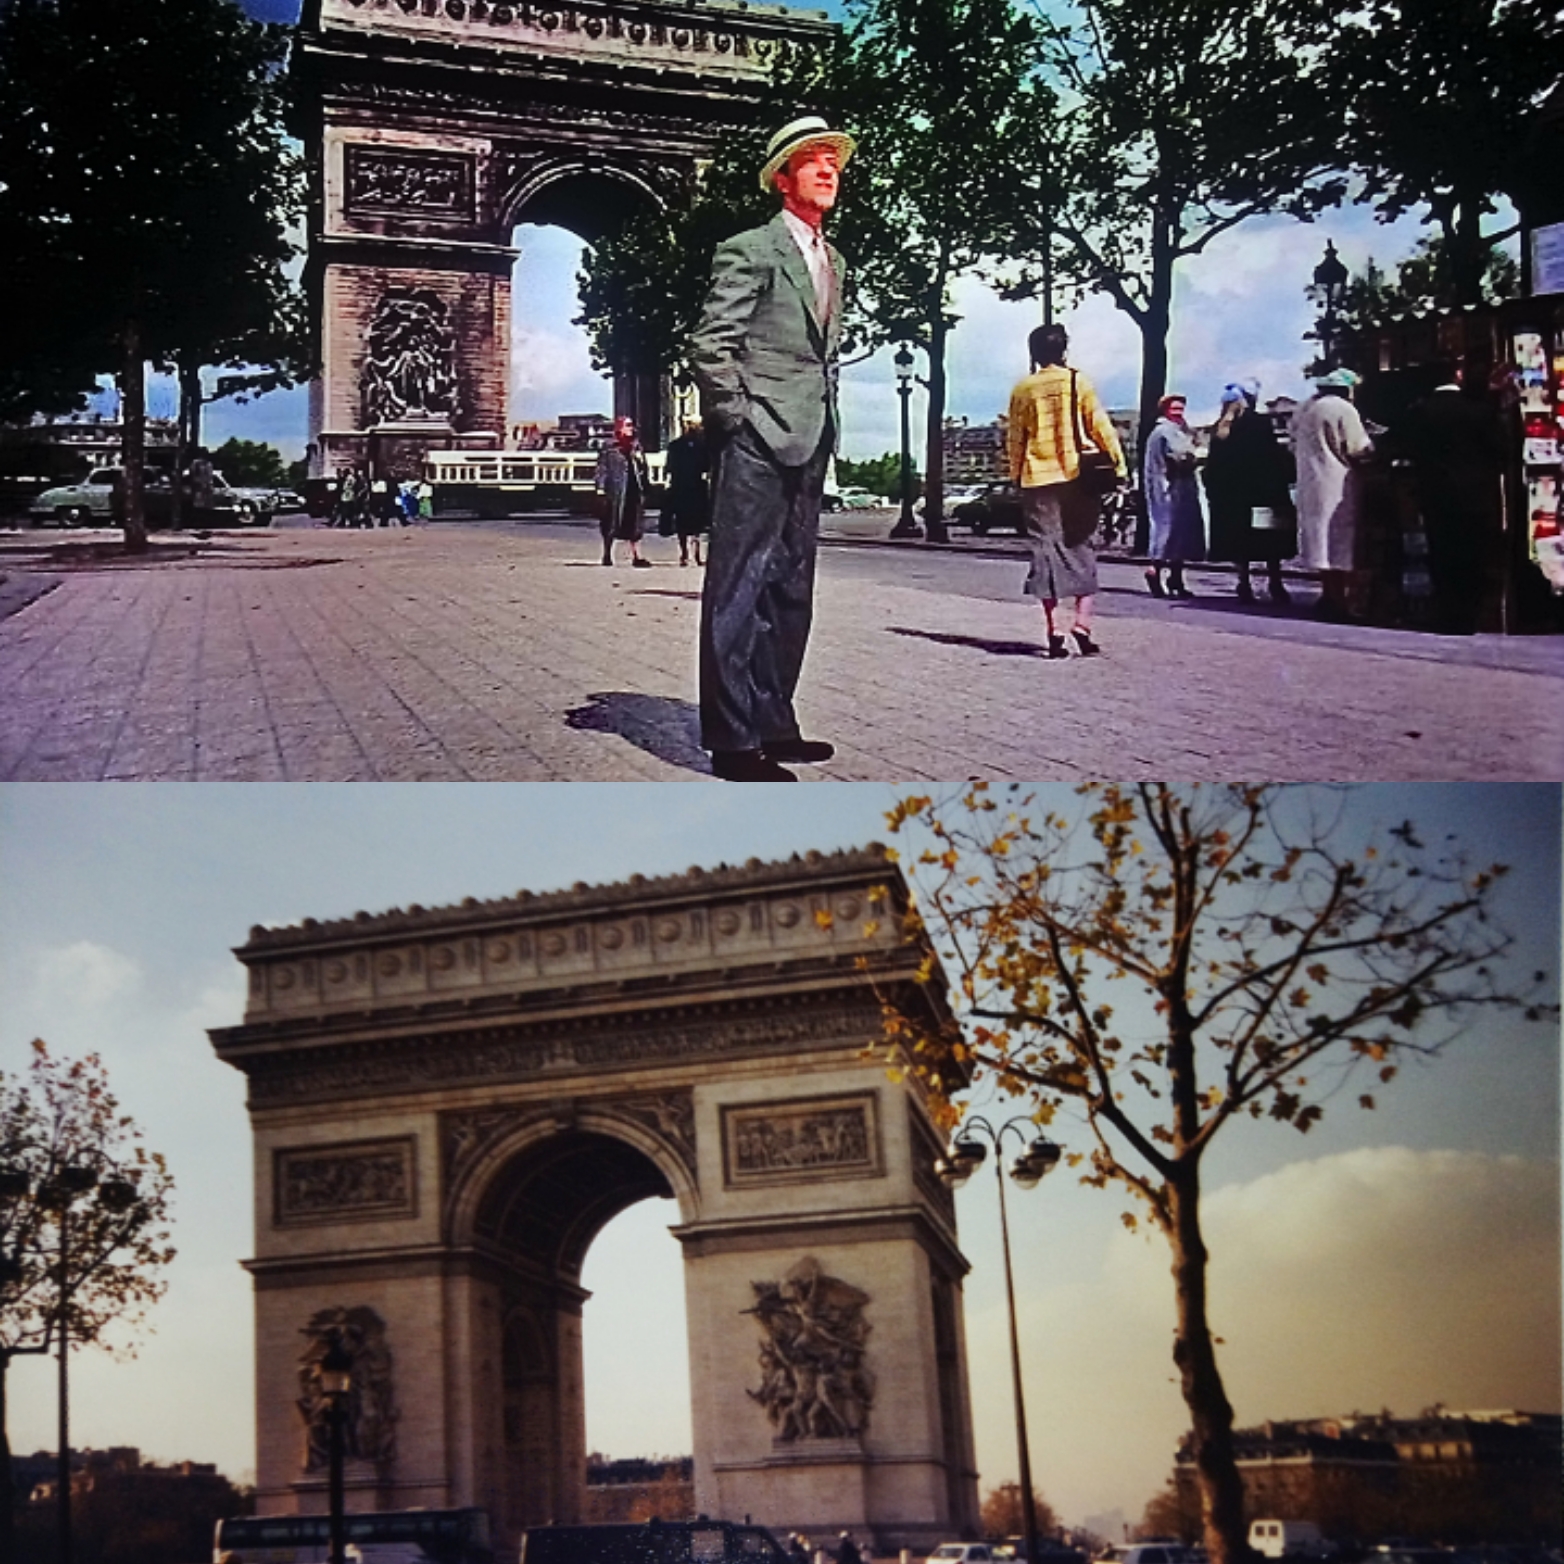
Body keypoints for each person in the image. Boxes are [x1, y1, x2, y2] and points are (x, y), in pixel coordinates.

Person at [690, 115, 852, 782]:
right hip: (759, 438)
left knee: (791, 590)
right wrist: (737, 420)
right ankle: (733, 742)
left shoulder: (834, 259)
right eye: (811, 161)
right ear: (782, 179)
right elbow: (711, 343)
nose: (826, 170)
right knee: (739, 588)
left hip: (812, 437)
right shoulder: (749, 249)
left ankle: (774, 722)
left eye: (832, 162)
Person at [1005, 321, 1126, 657]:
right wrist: (1118, 467)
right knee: (1082, 548)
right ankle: (1082, 623)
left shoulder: (1023, 390)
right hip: (1077, 477)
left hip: (1038, 478)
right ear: (1064, 349)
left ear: (1034, 352)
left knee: (1046, 552)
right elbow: (1101, 428)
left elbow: (1015, 440)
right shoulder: (1078, 382)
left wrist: (1016, 475)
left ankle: (1054, 627)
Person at [1402, 359, 1500, 634]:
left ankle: (1447, 614)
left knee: (1442, 552)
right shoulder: (1479, 411)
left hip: (1436, 493)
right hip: (1475, 493)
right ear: (1457, 376)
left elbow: (1407, 449)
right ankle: (1470, 615)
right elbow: (1499, 450)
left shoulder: (1420, 411)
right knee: (1472, 553)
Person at [1202, 381, 1297, 604]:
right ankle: (1275, 582)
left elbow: (1213, 466)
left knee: (1240, 540)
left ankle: (1243, 582)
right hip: (1262, 490)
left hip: (1233, 496)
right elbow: (1272, 455)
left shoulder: (1220, 428)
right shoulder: (1259, 423)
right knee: (1270, 540)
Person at [1294, 366, 1374, 621]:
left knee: (1321, 541)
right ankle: (1343, 600)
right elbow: (1358, 447)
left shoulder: (1306, 409)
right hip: (1338, 481)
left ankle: (1328, 594)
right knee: (1341, 542)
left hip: (1310, 482)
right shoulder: (1344, 409)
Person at [1142, 394, 1206, 597]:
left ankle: (1176, 578)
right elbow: (1179, 457)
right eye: (1174, 409)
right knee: (1168, 530)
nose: (1178, 412)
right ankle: (1155, 570)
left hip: (1176, 488)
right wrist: (1198, 457)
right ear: (1165, 410)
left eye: (1181, 409)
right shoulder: (1165, 431)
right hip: (1170, 488)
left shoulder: (1178, 430)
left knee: (1179, 532)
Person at [595, 414, 652, 568]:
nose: (630, 429)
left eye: (631, 425)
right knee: (611, 522)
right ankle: (607, 554)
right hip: (617, 490)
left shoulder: (636, 446)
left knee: (636, 523)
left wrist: (646, 485)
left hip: (634, 489)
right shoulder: (609, 447)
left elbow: (643, 467)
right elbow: (602, 468)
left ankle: (637, 556)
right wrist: (600, 487)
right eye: (627, 425)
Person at [664, 417, 710, 566]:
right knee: (687, 523)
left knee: (691, 523)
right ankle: (688, 554)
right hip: (689, 487)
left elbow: (669, 468)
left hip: (686, 486)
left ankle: (691, 554)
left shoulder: (679, 446)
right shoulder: (699, 446)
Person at [187, 447, 217, 530]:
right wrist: (197, 484)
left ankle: (206, 523)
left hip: (207, 488)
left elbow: (210, 477)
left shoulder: (209, 464)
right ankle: (197, 523)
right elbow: (192, 475)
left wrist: (209, 486)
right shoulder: (196, 463)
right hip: (198, 488)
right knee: (198, 506)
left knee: (207, 507)